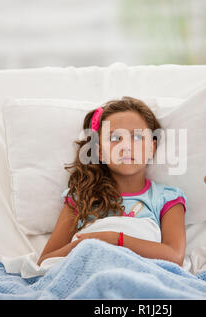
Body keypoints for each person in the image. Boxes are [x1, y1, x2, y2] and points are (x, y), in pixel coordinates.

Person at [37, 97, 187, 266]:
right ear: (100, 152)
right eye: (115, 139)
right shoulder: (81, 198)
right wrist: (84, 245)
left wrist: (115, 239)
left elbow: (175, 256)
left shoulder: (166, 198)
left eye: (137, 137)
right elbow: (45, 261)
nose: (126, 147)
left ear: (152, 148)